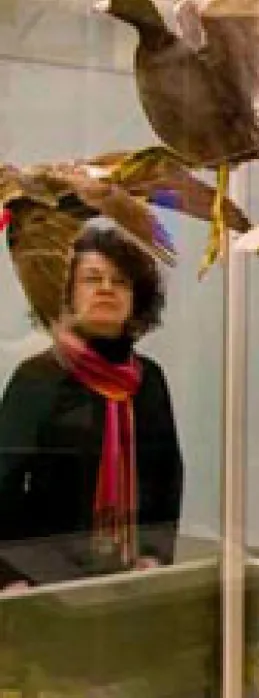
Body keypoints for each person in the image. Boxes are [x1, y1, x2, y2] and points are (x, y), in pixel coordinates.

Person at [0, 224, 184, 588]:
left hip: (130, 577)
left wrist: (154, 556)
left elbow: (167, 476)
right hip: (43, 583)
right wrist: (10, 577)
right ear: (66, 295)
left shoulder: (149, 381)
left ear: (137, 298)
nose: (105, 288)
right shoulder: (37, 377)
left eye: (119, 281)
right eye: (92, 279)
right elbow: (2, 485)